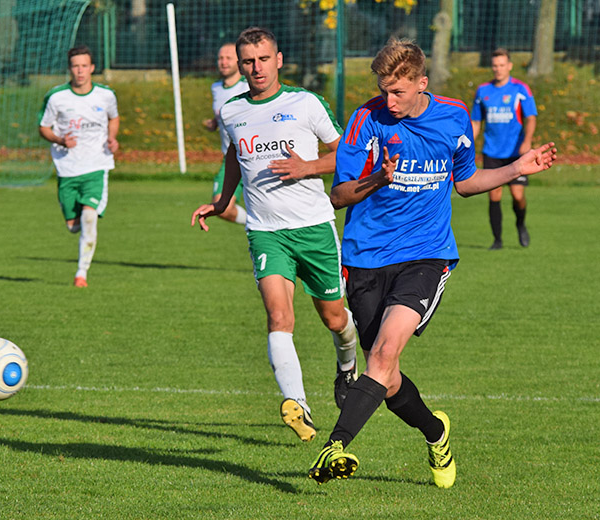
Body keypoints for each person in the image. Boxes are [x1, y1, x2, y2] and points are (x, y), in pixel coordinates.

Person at [307, 38, 556, 488]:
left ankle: (336, 444)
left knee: (383, 354)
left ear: (422, 83)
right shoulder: (366, 119)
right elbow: (338, 196)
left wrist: (518, 167)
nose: (389, 100)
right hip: (365, 257)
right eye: (383, 90)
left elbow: (466, 181)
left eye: (398, 91)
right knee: (385, 375)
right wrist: (377, 178)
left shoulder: (454, 116)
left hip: (426, 254)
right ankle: (436, 432)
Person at [191, 27, 359, 443]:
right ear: (239, 65)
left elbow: (347, 154)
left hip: (314, 228)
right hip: (266, 231)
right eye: (248, 61)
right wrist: (222, 200)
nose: (256, 68)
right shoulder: (232, 111)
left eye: (263, 59)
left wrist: (307, 167)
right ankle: (297, 404)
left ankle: (347, 364)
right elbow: (234, 155)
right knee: (279, 317)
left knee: (334, 318)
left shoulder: (305, 103)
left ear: (278, 60)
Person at [39, 45, 119, 288]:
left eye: (84, 66)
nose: (80, 71)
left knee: (89, 217)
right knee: (73, 226)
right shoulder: (56, 97)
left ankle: (81, 273)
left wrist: (112, 138)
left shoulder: (106, 95)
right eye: (76, 66)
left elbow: (113, 118)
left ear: (92, 68)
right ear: (70, 69)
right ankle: (73, 223)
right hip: (67, 169)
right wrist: (60, 140)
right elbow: (44, 128)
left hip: (97, 165)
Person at [471, 48, 538, 250]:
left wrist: (527, 141)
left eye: (501, 65)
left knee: (518, 196)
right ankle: (497, 240)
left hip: (515, 153)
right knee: (494, 195)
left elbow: (531, 118)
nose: (498, 69)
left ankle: (520, 224)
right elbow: (476, 122)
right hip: (492, 152)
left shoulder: (520, 89)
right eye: (495, 65)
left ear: (509, 66)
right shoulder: (483, 91)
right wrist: (467, 145)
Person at [202, 42, 249, 225]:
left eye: (228, 58)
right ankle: (253, 223)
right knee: (220, 207)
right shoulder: (216, 88)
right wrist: (214, 123)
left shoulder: (248, 85)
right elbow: (224, 115)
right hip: (230, 159)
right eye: (220, 58)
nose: (223, 62)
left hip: (255, 154)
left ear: (239, 62)